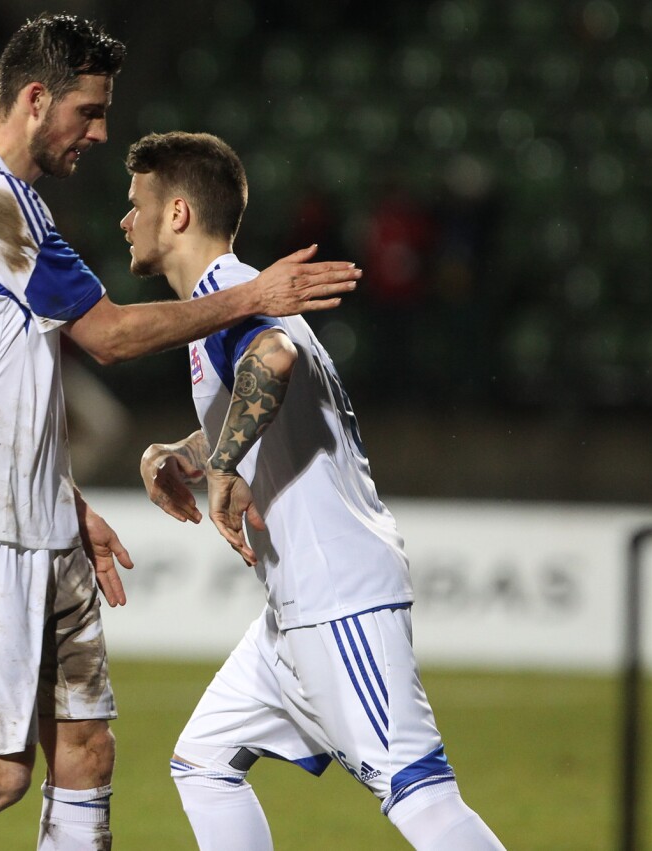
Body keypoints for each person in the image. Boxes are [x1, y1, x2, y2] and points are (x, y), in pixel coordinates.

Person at [0, 14, 360, 851]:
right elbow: (111, 336)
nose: (99, 132)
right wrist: (253, 295)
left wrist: (65, 496)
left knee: (86, 752)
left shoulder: (25, 209)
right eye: (87, 111)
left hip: (40, 520)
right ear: (35, 98)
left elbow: (10, 376)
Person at [126, 132, 505, 850]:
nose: (124, 219)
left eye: (135, 202)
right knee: (203, 762)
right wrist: (187, 452)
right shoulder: (225, 302)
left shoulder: (229, 296)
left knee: (421, 796)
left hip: (336, 595)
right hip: (295, 606)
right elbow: (267, 401)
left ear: (176, 213)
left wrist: (224, 465)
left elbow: (273, 360)